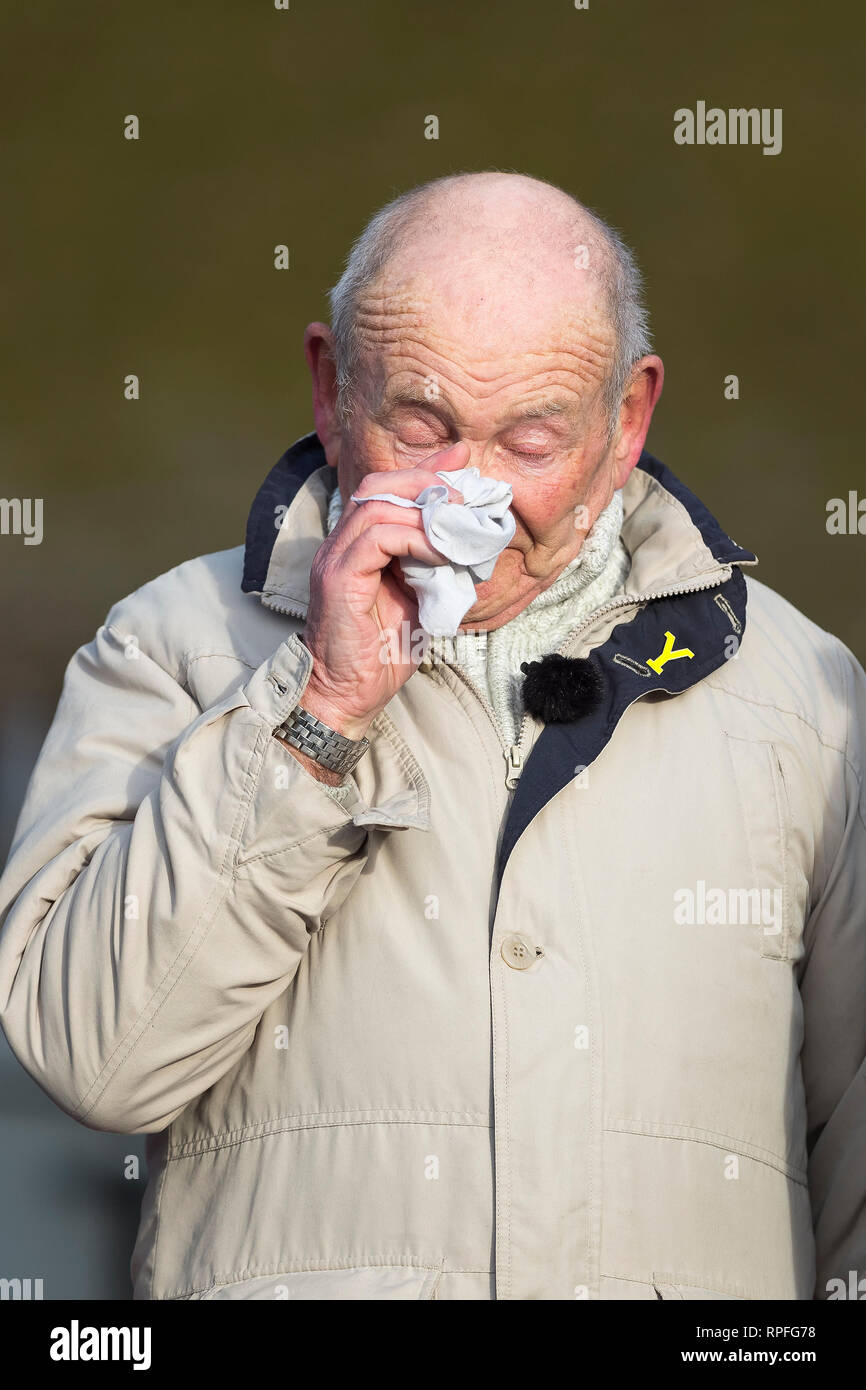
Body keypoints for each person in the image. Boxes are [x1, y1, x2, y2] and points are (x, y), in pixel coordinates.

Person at [0, 171, 863, 1301]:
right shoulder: (170, 645)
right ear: (328, 385)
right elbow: (95, 1062)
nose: (470, 496)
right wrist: (318, 711)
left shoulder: (803, 696)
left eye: (532, 438)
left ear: (628, 418)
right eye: (420, 424)